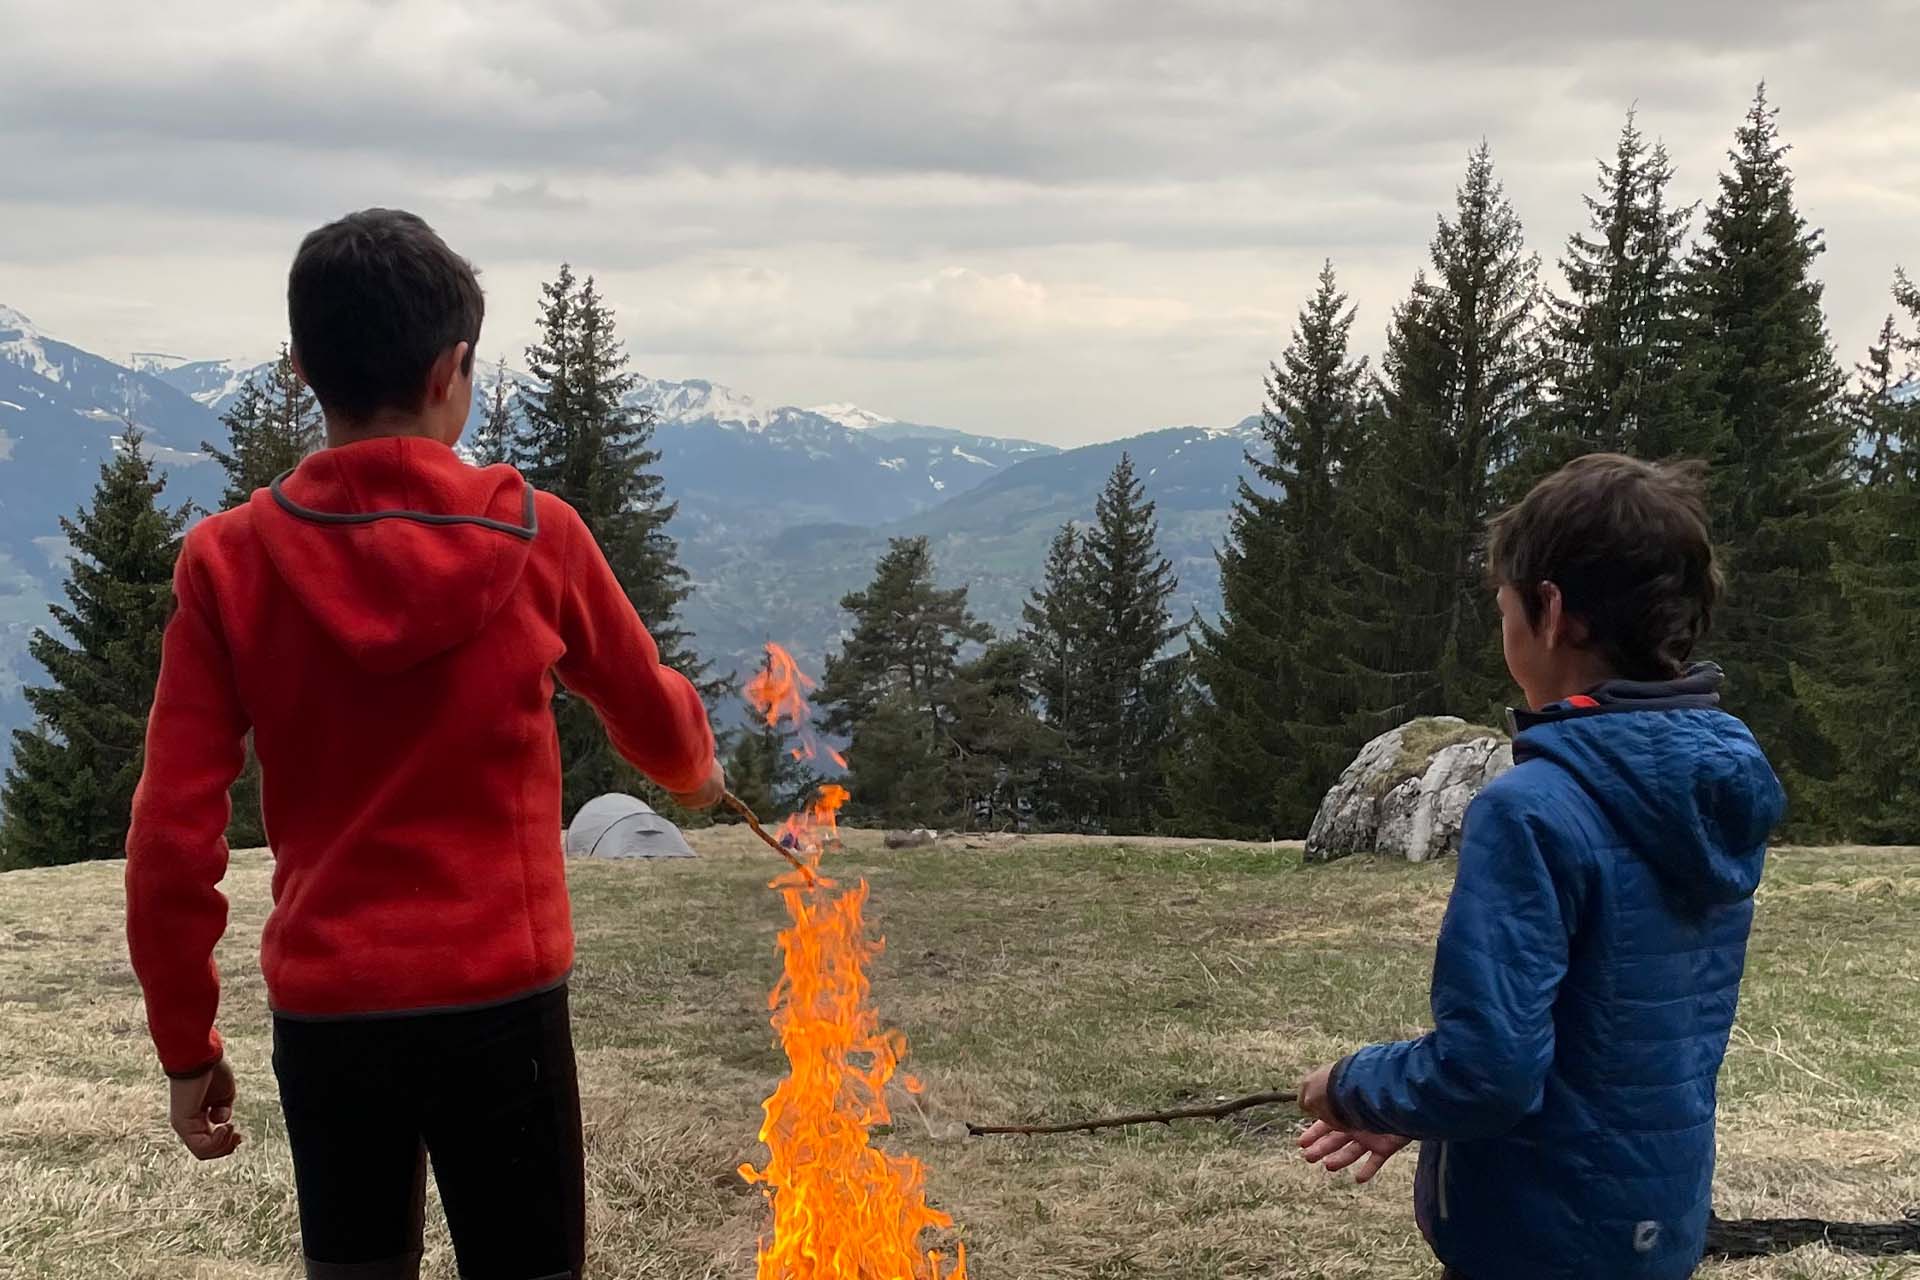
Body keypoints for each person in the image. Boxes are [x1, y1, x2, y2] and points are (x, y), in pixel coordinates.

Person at [125, 208, 723, 1280]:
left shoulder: (227, 563)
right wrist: (695, 772)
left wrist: (187, 1044)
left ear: (303, 366)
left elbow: (172, 837)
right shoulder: (540, 536)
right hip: (506, 1007)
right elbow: (652, 713)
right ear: (456, 368)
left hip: (329, 1015)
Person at [1294, 454, 1786, 1280]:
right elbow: (1602, 1037)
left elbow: (1489, 1074)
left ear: (1551, 611)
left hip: (1535, 1238)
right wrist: (1427, 1109)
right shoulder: (1711, 788)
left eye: (1503, 606)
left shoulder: (1532, 808)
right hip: (1655, 1221)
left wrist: (1353, 1084)